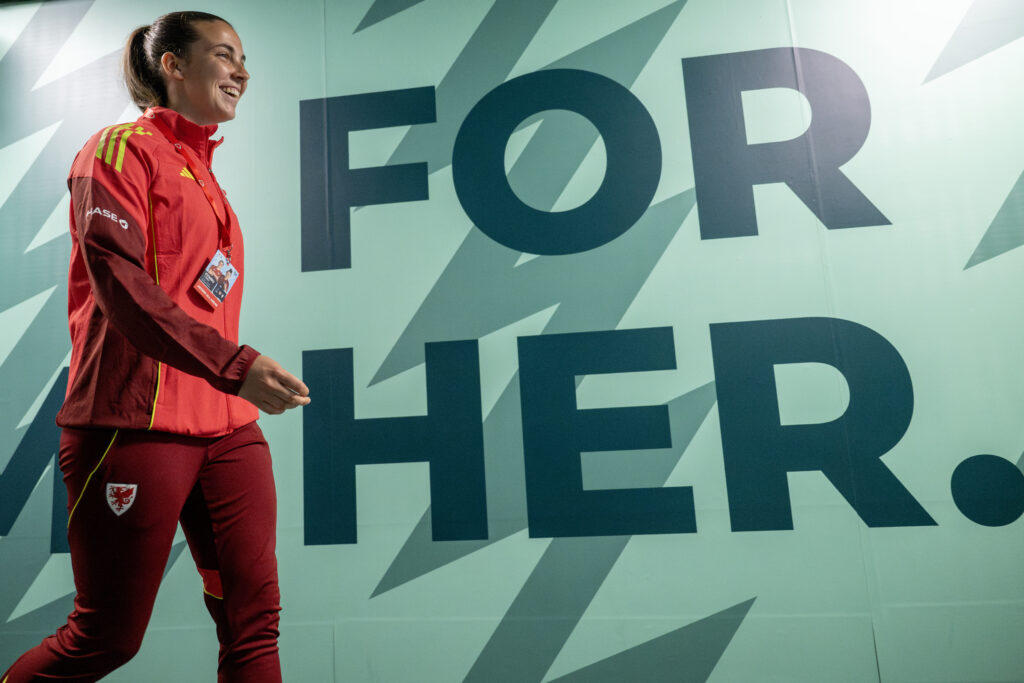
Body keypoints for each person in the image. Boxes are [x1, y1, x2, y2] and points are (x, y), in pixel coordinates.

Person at [2, 11, 307, 683]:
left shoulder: (204, 174)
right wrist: (235, 366)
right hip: (133, 421)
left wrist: (230, 380)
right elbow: (121, 284)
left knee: (253, 625)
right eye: (225, 55)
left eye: (244, 59)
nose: (242, 72)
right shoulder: (117, 150)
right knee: (105, 638)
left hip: (227, 426)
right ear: (173, 64)